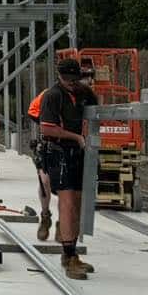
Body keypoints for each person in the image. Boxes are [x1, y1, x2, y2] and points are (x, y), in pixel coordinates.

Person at [35, 57, 99, 279]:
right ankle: (69, 255)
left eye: (74, 79)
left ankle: (70, 254)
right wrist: (76, 137)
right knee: (68, 201)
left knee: (78, 203)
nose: (71, 83)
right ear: (59, 77)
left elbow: (96, 113)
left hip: (78, 153)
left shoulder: (84, 93)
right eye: (67, 79)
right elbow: (47, 128)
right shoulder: (52, 96)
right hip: (59, 151)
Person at [26, 94, 54, 241]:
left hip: (70, 144)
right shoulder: (48, 94)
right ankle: (45, 215)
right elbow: (33, 111)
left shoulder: (82, 96)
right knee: (44, 181)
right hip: (50, 143)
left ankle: (65, 222)